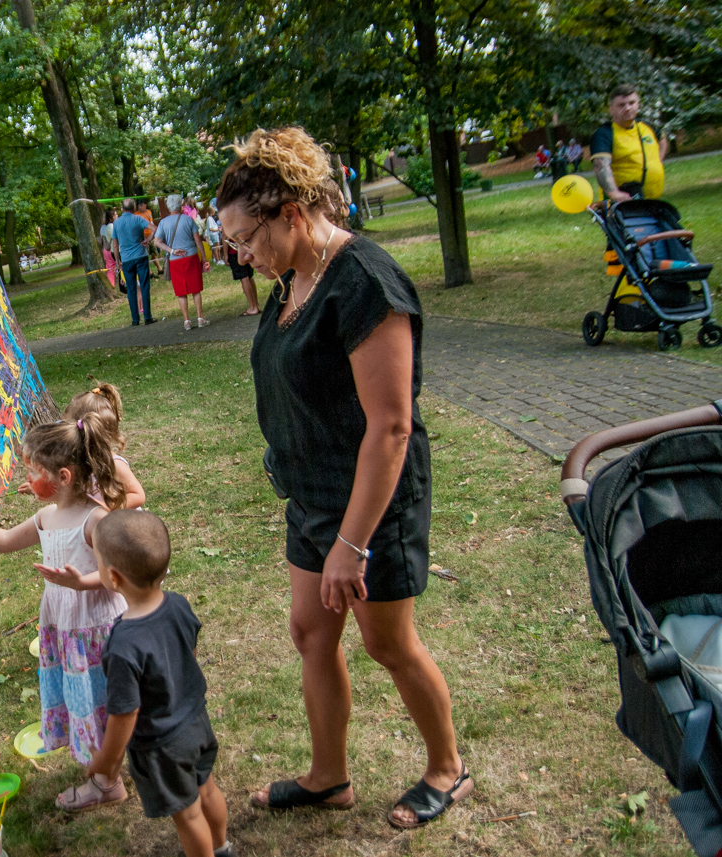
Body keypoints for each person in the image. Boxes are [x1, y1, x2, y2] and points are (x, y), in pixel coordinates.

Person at [216, 126, 470, 830]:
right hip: (312, 496)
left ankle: (448, 768)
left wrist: (352, 545)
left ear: (291, 214)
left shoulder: (364, 282)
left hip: (372, 501)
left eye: (245, 238)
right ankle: (329, 777)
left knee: (387, 642)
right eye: (231, 243)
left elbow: (390, 428)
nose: (240, 255)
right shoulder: (291, 277)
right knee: (311, 633)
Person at [0, 416, 128, 808]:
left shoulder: (95, 520)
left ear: (63, 476)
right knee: (85, 697)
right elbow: (4, 540)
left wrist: (81, 583)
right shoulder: (46, 517)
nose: (27, 479)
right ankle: (105, 768)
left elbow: (117, 575)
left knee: (101, 696)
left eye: (34, 472)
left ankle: (107, 782)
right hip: (66, 626)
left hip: (95, 628)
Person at [72, 510, 233, 857]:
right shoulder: (178, 605)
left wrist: (106, 761)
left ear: (113, 577)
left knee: (188, 814)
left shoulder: (123, 645)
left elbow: (125, 714)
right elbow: (188, 650)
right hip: (196, 722)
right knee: (207, 790)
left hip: (163, 743)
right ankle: (222, 847)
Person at [63, 383, 147, 510]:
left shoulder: (115, 464)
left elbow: (138, 495)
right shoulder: (76, 460)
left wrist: (106, 509)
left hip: (123, 520)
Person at [591, 84, 668, 201]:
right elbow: (600, 166)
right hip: (623, 203)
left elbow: (662, 138)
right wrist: (614, 193)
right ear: (611, 109)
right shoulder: (604, 134)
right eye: (621, 105)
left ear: (638, 105)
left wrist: (657, 161)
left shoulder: (646, 127)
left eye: (631, 103)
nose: (627, 108)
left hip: (652, 201)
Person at [155, 193, 211, 331]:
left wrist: (172, 251)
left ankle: (186, 320)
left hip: (175, 260)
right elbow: (198, 240)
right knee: (195, 289)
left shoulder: (163, 223)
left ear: (168, 207)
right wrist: (204, 258)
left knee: (181, 291)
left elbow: (157, 242)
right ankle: (200, 317)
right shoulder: (188, 220)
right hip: (191, 256)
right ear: (180, 205)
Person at [114, 198, 157, 326]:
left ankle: (135, 319)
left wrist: (117, 261)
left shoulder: (116, 223)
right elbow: (154, 228)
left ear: (122, 209)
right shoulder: (138, 219)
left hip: (126, 259)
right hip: (140, 256)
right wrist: (148, 239)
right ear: (133, 208)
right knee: (144, 286)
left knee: (131, 289)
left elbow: (115, 245)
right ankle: (147, 316)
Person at [136, 201, 163, 277]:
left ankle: (159, 269)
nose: (140, 207)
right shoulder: (136, 215)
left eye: (141, 205)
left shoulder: (149, 212)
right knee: (145, 255)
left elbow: (152, 223)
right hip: (143, 238)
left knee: (154, 252)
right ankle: (149, 272)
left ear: (145, 205)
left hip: (151, 236)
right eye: (138, 205)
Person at [99, 208, 120, 289]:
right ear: (111, 217)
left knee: (111, 269)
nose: (117, 216)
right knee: (113, 268)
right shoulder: (110, 226)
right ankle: (112, 286)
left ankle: (113, 285)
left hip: (107, 250)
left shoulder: (103, 227)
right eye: (115, 214)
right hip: (110, 250)